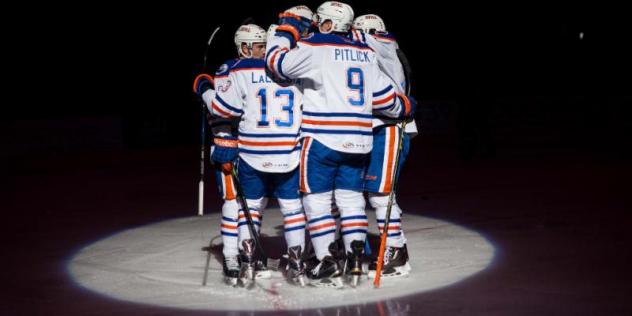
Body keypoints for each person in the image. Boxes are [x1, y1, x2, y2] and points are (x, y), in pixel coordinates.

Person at [266, 1, 415, 288]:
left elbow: (276, 63)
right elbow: (386, 99)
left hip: (329, 136)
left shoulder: (320, 46)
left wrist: (285, 32)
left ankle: (330, 259)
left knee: (320, 199)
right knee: (353, 199)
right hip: (361, 138)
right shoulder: (367, 51)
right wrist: (404, 106)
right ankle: (355, 255)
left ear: (327, 23)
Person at [209, 23, 308, 286]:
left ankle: (247, 260)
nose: (263, 50)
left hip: (251, 150)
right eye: (259, 45)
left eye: (265, 44)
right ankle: (290, 264)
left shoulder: (238, 69)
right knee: (290, 209)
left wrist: (205, 91)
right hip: (288, 150)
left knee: (246, 207)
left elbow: (221, 108)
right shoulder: (293, 67)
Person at [351, 13, 417, 278]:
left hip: (391, 127)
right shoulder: (374, 50)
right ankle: (368, 247)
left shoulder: (385, 45)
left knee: (381, 194)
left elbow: (374, 42)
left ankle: (396, 251)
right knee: (363, 192)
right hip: (377, 128)